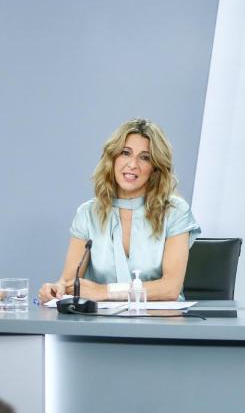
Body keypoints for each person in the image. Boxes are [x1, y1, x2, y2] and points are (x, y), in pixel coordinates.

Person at [38, 119, 201, 303]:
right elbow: (68, 282)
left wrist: (105, 291)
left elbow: (170, 288)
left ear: (155, 167)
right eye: (125, 153)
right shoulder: (88, 213)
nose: (132, 164)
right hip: (98, 326)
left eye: (145, 157)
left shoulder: (175, 212)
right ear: (112, 159)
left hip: (159, 324)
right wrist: (55, 289)